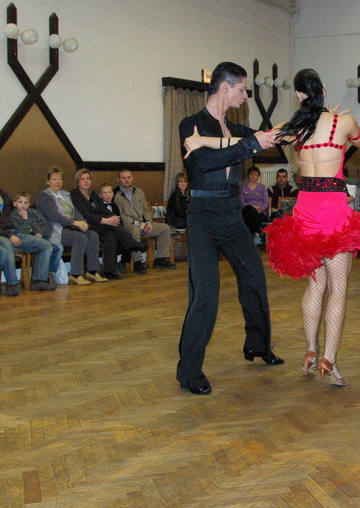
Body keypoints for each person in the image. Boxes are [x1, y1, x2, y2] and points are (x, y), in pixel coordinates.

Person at [262, 68, 360, 386]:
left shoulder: (293, 128)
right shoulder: (342, 121)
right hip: (333, 210)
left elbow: (264, 138)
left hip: (306, 210)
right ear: (324, 89)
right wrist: (332, 115)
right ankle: (329, 359)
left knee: (315, 285)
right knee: (338, 288)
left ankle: (310, 350)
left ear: (299, 94)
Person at [175, 61, 282, 396]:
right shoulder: (190, 124)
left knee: (255, 281)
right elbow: (207, 161)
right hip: (203, 217)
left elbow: (270, 139)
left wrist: (303, 119)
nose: (245, 96)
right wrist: (251, 143)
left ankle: (258, 345)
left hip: (232, 216)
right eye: (242, 89)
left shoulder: (236, 128)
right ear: (225, 87)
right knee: (205, 295)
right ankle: (189, 371)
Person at [71, 168, 148, 280]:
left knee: (110, 235)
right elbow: (87, 215)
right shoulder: (75, 195)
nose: (86, 181)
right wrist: (107, 221)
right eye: (83, 179)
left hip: (99, 225)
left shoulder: (92, 194)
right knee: (110, 225)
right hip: (85, 225)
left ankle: (109, 271)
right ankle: (131, 243)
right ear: (77, 182)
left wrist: (114, 218)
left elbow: (103, 209)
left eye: (88, 178)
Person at [37, 166, 106, 285]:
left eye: (60, 179)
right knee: (80, 238)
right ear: (48, 181)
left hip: (69, 227)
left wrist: (83, 223)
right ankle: (75, 274)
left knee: (93, 235)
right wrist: (74, 223)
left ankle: (92, 271)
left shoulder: (65, 195)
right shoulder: (45, 196)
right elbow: (54, 216)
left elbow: (76, 212)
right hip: (54, 230)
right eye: (54, 179)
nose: (58, 182)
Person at [113, 169, 176, 271]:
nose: (126, 180)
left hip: (143, 223)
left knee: (165, 228)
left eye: (128, 177)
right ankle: (137, 262)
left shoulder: (139, 192)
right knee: (135, 230)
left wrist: (148, 222)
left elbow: (146, 210)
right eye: (123, 178)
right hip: (128, 224)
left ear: (132, 178)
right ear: (118, 180)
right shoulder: (115, 194)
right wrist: (138, 224)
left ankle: (161, 259)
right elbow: (120, 215)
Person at [9, 192, 60, 290]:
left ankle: (47, 274)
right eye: (20, 202)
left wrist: (40, 233)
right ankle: (39, 280)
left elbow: (43, 224)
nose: (23, 205)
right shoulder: (14, 216)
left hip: (36, 237)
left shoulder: (33, 212)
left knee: (58, 247)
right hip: (21, 239)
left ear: (29, 204)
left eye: (25, 203)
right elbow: (23, 233)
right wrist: (25, 219)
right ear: (15, 204)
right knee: (46, 245)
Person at [240, 166, 268, 243]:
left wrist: (259, 209)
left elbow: (266, 202)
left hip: (259, 213)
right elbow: (242, 203)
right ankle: (258, 229)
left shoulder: (262, 187)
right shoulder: (242, 188)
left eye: (255, 174)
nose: (253, 176)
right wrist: (253, 207)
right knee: (249, 210)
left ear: (258, 176)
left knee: (250, 220)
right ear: (248, 175)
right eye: (252, 174)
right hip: (247, 212)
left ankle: (250, 243)